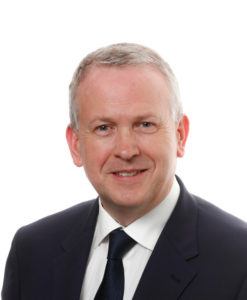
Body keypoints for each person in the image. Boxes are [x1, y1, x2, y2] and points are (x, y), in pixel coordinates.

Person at [2, 43, 247, 300]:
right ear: (75, 145)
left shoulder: (239, 260)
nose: (126, 150)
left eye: (145, 124)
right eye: (104, 128)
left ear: (180, 136)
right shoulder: (32, 251)